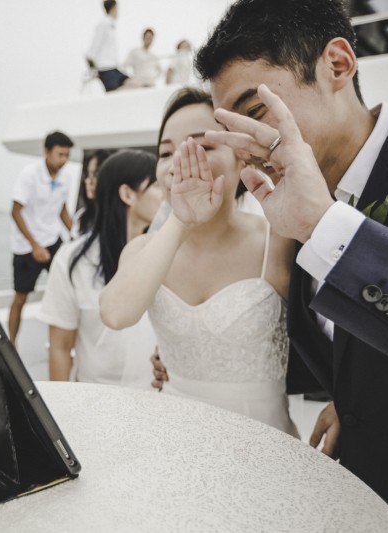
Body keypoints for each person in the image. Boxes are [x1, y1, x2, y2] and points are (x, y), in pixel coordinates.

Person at [191, 0, 388, 529]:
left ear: (338, 64)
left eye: (254, 115)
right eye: (230, 129)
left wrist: (324, 228)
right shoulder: (305, 201)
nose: (244, 150)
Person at [100, 87, 300, 437]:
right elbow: (117, 314)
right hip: (174, 434)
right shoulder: (143, 248)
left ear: (241, 157)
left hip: (264, 437)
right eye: (165, 153)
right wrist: (182, 221)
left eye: (202, 146)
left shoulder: (278, 239)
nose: (180, 160)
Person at [40, 150, 162, 386]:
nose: (166, 194)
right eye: (157, 185)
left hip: (158, 399)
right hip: (95, 398)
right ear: (128, 194)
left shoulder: (164, 254)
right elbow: (60, 347)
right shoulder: (72, 259)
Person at [8, 131, 74, 346]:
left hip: (53, 240)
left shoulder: (66, 177)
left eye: (66, 155)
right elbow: (15, 211)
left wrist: (76, 234)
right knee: (20, 298)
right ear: (47, 152)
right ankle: (12, 344)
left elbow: (62, 210)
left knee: (69, 287)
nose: (63, 160)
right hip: (27, 245)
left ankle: (63, 340)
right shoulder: (29, 174)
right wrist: (34, 245)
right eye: (59, 154)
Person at [86, 1, 144, 92]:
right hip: (105, 69)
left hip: (114, 68)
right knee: (118, 92)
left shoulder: (111, 26)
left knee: (137, 85)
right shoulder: (103, 24)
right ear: (114, 8)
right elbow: (92, 50)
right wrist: (93, 70)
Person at [71, 149, 110, 238]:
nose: (88, 181)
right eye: (88, 174)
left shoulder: (120, 217)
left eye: (95, 175)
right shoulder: (82, 216)